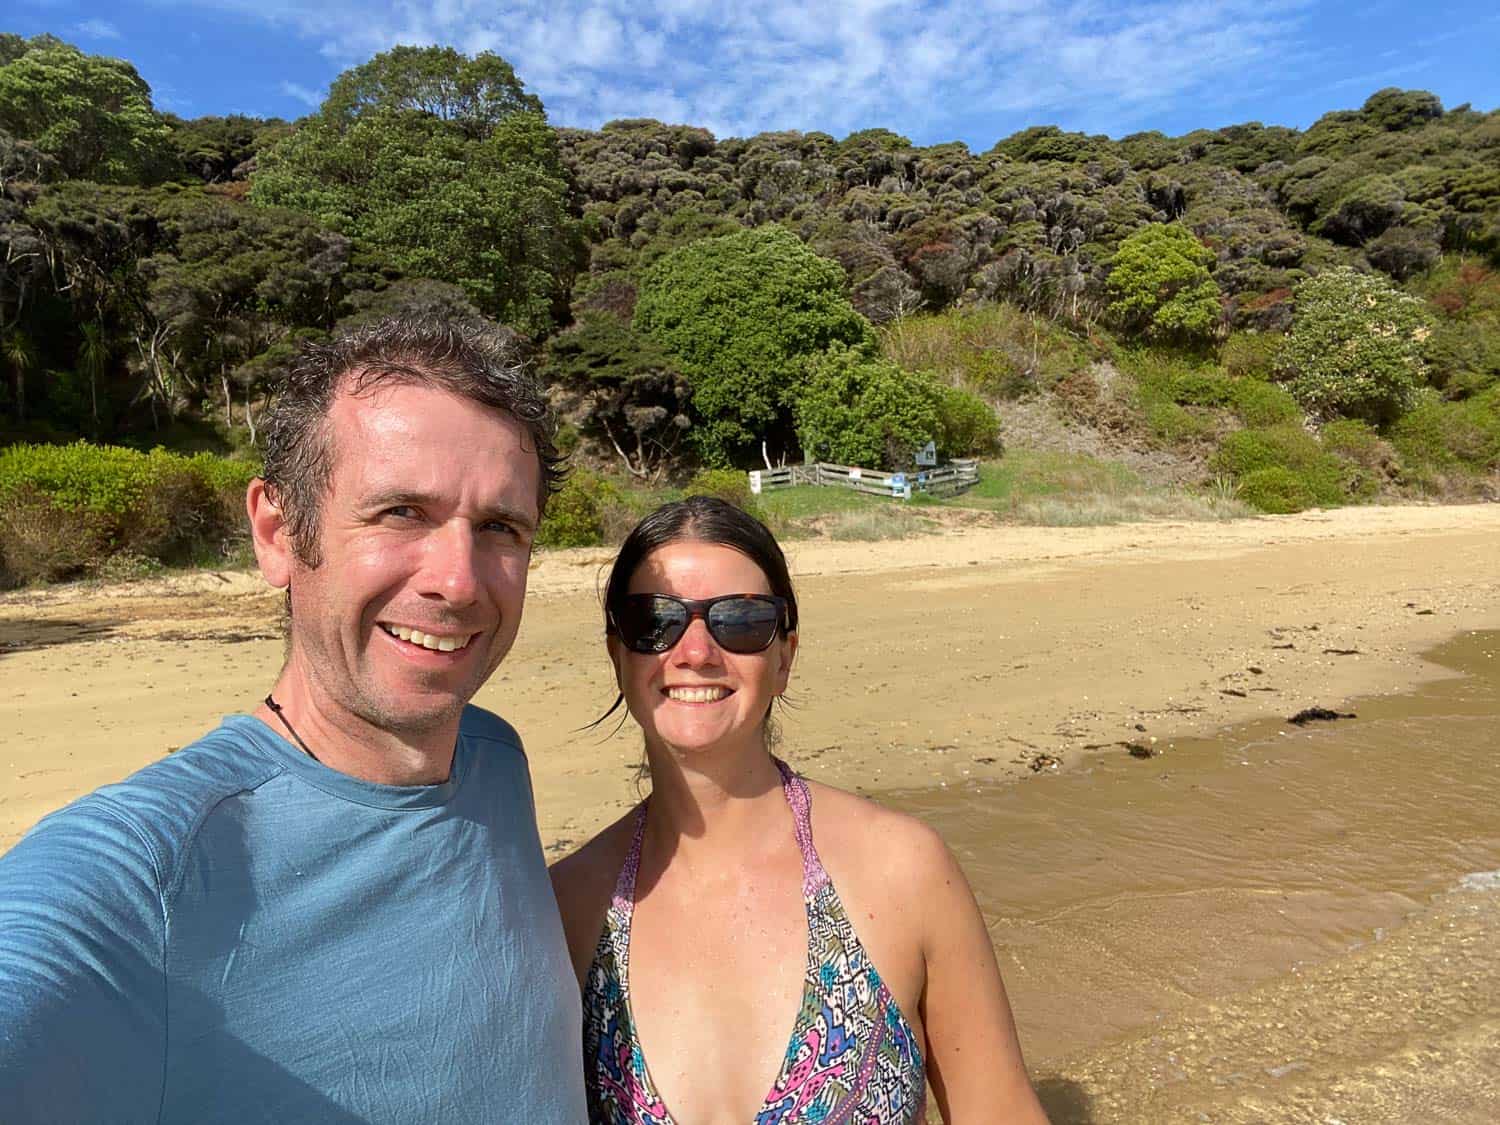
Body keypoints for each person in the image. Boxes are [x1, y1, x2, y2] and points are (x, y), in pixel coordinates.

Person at [0, 318, 588, 1122]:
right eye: (400, 512)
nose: (458, 580)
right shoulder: (148, 870)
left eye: (499, 527)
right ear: (277, 533)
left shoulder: (494, 760)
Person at [550, 497, 1047, 1124]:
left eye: (739, 621)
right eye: (655, 621)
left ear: (783, 657)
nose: (696, 651)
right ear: (620, 655)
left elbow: (999, 1111)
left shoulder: (903, 872)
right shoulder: (566, 907)